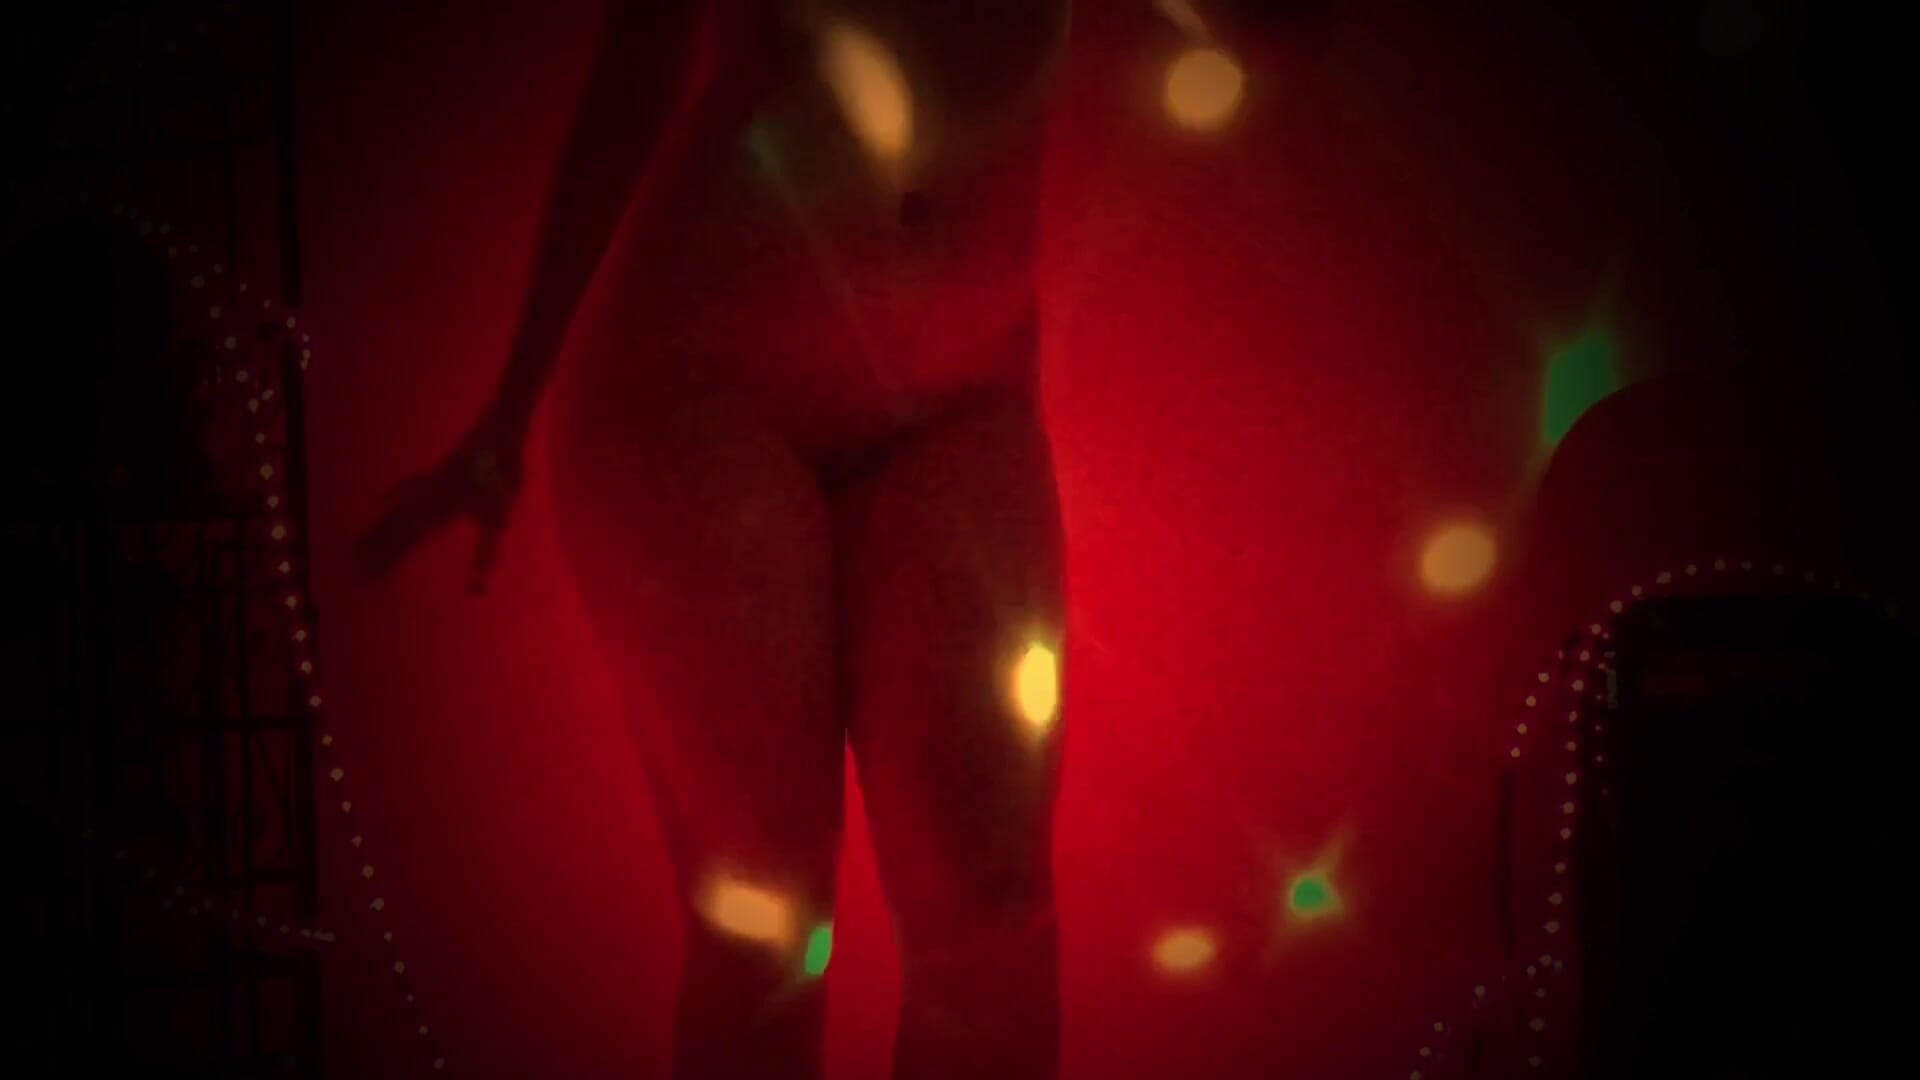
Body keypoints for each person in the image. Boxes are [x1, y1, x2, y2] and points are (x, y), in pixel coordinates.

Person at [354, 3, 1075, 1077]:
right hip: (700, 377)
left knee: (995, 916)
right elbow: (637, 72)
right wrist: (510, 407)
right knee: (765, 925)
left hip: (960, 391)